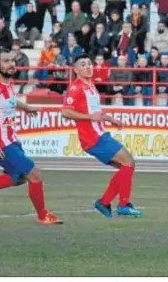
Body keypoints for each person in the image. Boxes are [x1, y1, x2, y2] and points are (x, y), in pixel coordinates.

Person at [0, 49, 62, 225]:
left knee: (18, 178)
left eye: (12, 60)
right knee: (34, 174)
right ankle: (43, 215)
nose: (11, 64)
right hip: (0, 144)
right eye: (6, 61)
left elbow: (10, 101)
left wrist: (26, 107)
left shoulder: (7, 83)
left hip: (12, 140)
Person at [61, 55, 143, 218]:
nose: (88, 67)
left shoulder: (91, 86)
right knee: (129, 162)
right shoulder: (75, 88)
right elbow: (65, 112)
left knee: (125, 167)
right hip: (92, 137)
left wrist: (110, 119)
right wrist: (90, 118)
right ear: (76, 70)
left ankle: (106, 202)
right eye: (83, 65)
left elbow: (96, 112)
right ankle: (122, 204)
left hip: (99, 134)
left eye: (89, 63)